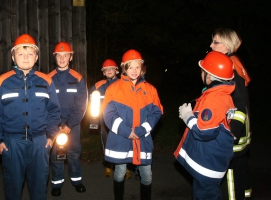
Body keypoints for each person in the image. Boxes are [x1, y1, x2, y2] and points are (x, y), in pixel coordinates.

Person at [0, 34, 61, 200]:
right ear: (13, 56)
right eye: (21, 54)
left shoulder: (46, 81)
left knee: (39, 186)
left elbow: (54, 111)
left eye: (29, 54)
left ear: (36, 56)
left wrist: (51, 136)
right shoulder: (2, 82)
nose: (25, 57)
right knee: (13, 187)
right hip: (12, 144)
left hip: (40, 143)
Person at [174, 51, 236, 200]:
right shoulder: (224, 95)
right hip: (213, 161)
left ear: (209, 76)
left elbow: (204, 132)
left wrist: (188, 117)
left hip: (207, 165)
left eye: (203, 71)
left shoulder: (213, 99)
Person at [102, 49, 163, 200]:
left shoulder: (150, 90)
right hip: (121, 139)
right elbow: (108, 114)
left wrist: (142, 130)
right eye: (131, 67)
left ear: (142, 67)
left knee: (147, 175)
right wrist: (126, 131)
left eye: (137, 67)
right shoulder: (114, 89)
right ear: (124, 68)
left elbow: (157, 112)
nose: (134, 71)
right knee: (120, 172)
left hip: (142, 140)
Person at [210, 28, 252, 200]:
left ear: (227, 46)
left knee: (231, 180)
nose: (211, 45)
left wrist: (230, 134)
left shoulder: (230, 67)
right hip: (242, 132)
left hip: (234, 133)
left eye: (215, 42)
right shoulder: (235, 61)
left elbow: (239, 104)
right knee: (242, 173)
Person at [48, 41, 88, 196]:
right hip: (54, 124)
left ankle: (76, 180)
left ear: (71, 57)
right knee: (56, 154)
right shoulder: (48, 78)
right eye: (59, 55)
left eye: (66, 55)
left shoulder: (78, 78)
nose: (62, 58)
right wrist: (55, 125)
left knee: (74, 152)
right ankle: (57, 183)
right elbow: (46, 104)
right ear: (55, 57)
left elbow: (81, 105)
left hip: (73, 124)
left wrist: (69, 125)